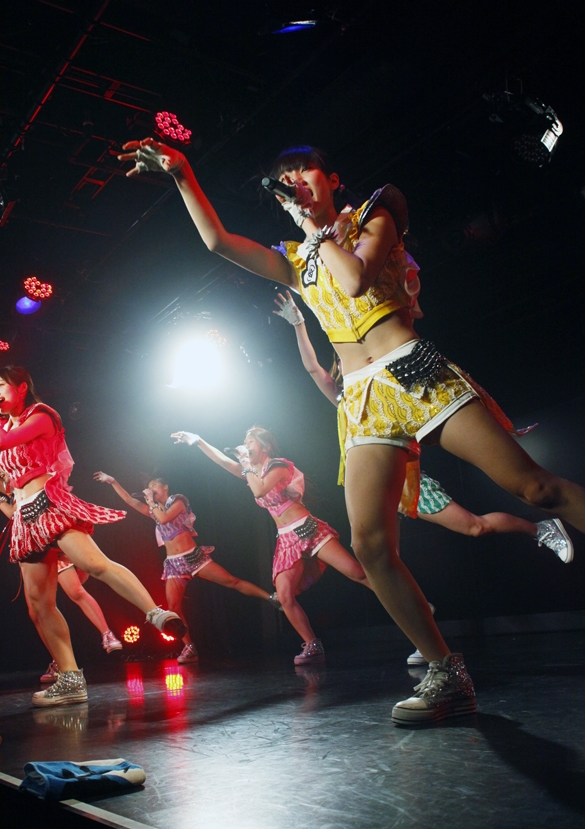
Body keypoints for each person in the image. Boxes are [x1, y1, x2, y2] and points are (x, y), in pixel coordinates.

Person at [118, 137, 585, 725]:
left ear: (331, 178)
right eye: (287, 177)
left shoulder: (375, 214)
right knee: (369, 545)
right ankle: (445, 672)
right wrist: (184, 174)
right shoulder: (295, 259)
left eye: (305, 171)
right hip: (362, 400)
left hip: (413, 370)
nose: (297, 181)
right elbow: (217, 242)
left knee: (534, 488)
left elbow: (358, 279)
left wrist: (316, 230)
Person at [273, 289, 575, 664]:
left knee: (475, 527)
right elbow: (312, 369)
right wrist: (299, 324)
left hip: (405, 484)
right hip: (373, 489)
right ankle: (427, 643)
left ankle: (540, 529)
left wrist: (497, 426)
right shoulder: (342, 397)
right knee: (381, 563)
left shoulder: (383, 377)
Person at [0, 365, 186, 708]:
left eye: (1, 386)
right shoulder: (1, 424)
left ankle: (155, 613)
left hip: (48, 503)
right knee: (38, 606)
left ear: (22, 388)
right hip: (23, 517)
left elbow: (0, 442)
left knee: (95, 564)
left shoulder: (42, 416)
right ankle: (70, 679)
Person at [171, 426, 371, 664]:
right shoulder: (253, 472)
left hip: (306, 528)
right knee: (284, 596)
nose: (246, 445)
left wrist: (246, 463)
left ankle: (403, 604)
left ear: (264, 446)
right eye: (245, 442)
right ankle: (312, 645)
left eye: (250, 442)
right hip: (286, 538)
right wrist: (199, 441)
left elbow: (259, 491)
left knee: (357, 573)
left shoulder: (278, 465)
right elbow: (224, 461)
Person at [0, 449, 123, 679]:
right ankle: (60, 661)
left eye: (3, 467)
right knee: (36, 612)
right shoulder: (7, 486)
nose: (1, 471)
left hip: (50, 541)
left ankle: (107, 634)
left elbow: (14, 513)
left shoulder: (28, 480)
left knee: (75, 590)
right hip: (31, 546)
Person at [93, 472, 282, 663]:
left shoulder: (178, 501)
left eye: (154, 486)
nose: (151, 490)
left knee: (232, 582)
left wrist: (150, 502)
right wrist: (113, 482)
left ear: (165, 487)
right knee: (173, 608)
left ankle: (271, 598)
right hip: (173, 564)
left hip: (192, 557)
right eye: (149, 488)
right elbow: (130, 501)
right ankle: (189, 647)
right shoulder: (155, 509)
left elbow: (164, 519)